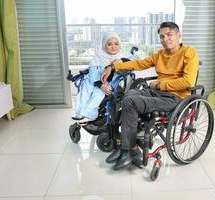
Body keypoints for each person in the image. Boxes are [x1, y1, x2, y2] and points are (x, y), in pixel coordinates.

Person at [101, 22, 200, 170]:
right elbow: (139, 64)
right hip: (157, 93)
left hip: (175, 98)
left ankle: (129, 150)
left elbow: (188, 81)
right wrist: (114, 67)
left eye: (169, 34)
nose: (165, 38)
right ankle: (128, 148)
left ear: (178, 35)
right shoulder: (160, 55)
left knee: (130, 102)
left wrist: (161, 84)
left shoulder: (189, 52)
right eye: (162, 36)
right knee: (128, 95)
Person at [73, 32, 134, 121]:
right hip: (95, 79)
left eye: (116, 44)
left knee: (98, 91)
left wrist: (102, 84)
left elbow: (133, 63)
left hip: (111, 81)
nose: (113, 47)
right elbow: (93, 71)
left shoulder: (125, 55)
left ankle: (90, 113)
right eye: (109, 44)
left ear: (120, 44)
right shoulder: (99, 56)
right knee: (85, 85)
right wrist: (99, 83)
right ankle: (80, 111)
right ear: (104, 45)